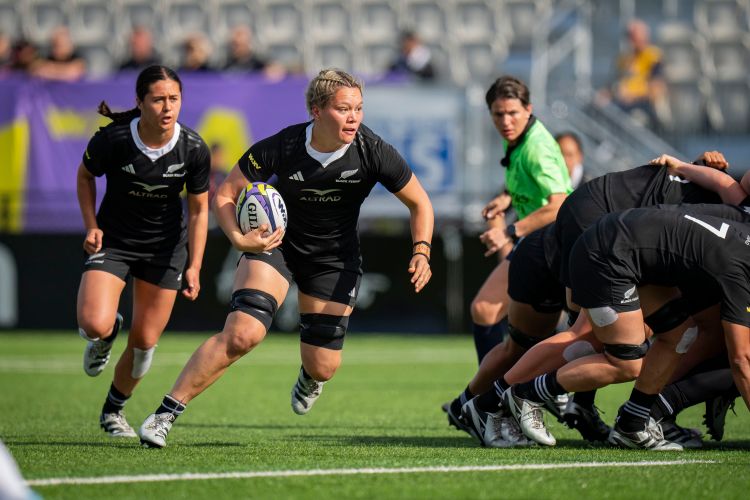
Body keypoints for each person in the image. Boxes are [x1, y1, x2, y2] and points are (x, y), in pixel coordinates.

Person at [138, 68, 434, 448]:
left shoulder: (373, 151)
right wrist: (240, 239)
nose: (354, 117)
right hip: (275, 247)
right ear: (316, 110)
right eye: (344, 109)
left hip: (334, 259)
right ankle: (164, 414)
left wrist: (421, 252)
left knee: (323, 366)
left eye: (358, 108)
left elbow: (420, 203)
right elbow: (226, 194)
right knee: (243, 333)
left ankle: (309, 378)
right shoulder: (283, 146)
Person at [76, 65, 210, 438]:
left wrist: (195, 265)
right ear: (139, 102)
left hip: (165, 251)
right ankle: (105, 336)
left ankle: (112, 411)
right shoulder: (114, 139)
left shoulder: (194, 148)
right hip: (115, 242)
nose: (168, 108)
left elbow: (199, 210)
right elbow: (85, 177)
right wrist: (91, 225)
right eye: (158, 100)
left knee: (144, 343)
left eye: (174, 99)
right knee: (94, 324)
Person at [469, 76, 571, 363]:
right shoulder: (518, 138)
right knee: (492, 314)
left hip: (551, 243)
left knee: (494, 314)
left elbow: (558, 203)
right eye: (498, 114)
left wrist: (509, 231)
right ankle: (502, 396)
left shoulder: (536, 148)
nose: (505, 121)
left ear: (528, 109)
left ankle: (495, 397)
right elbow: (527, 184)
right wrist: (506, 197)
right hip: (542, 242)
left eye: (512, 113)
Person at [599, 19, 666, 128]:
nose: (632, 41)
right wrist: (606, 94)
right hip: (620, 102)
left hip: (643, 104)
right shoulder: (624, 58)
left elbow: (658, 88)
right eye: (630, 36)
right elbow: (614, 83)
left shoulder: (654, 56)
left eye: (635, 36)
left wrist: (632, 94)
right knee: (598, 108)